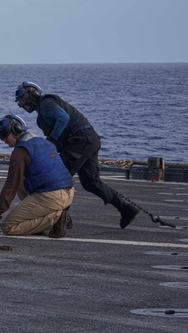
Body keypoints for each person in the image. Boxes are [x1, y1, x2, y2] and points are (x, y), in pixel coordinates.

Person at [15, 82, 139, 229]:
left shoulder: (46, 104)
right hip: (90, 140)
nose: (24, 104)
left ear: (33, 94)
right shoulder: (42, 113)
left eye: (24, 99)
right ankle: (126, 208)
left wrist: (52, 140)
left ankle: (62, 220)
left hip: (79, 141)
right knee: (91, 182)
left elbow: (63, 118)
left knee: (57, 178)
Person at [0, 114, 74, 238]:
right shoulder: (44, 142)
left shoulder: (20, 152)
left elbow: (11, 185)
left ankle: (55, 218)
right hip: (69, 192)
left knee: (9, 227)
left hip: (52, 196)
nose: (3, 140)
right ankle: (51, 214)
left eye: (3, 134)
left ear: (15, 130)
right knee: (22, 180)